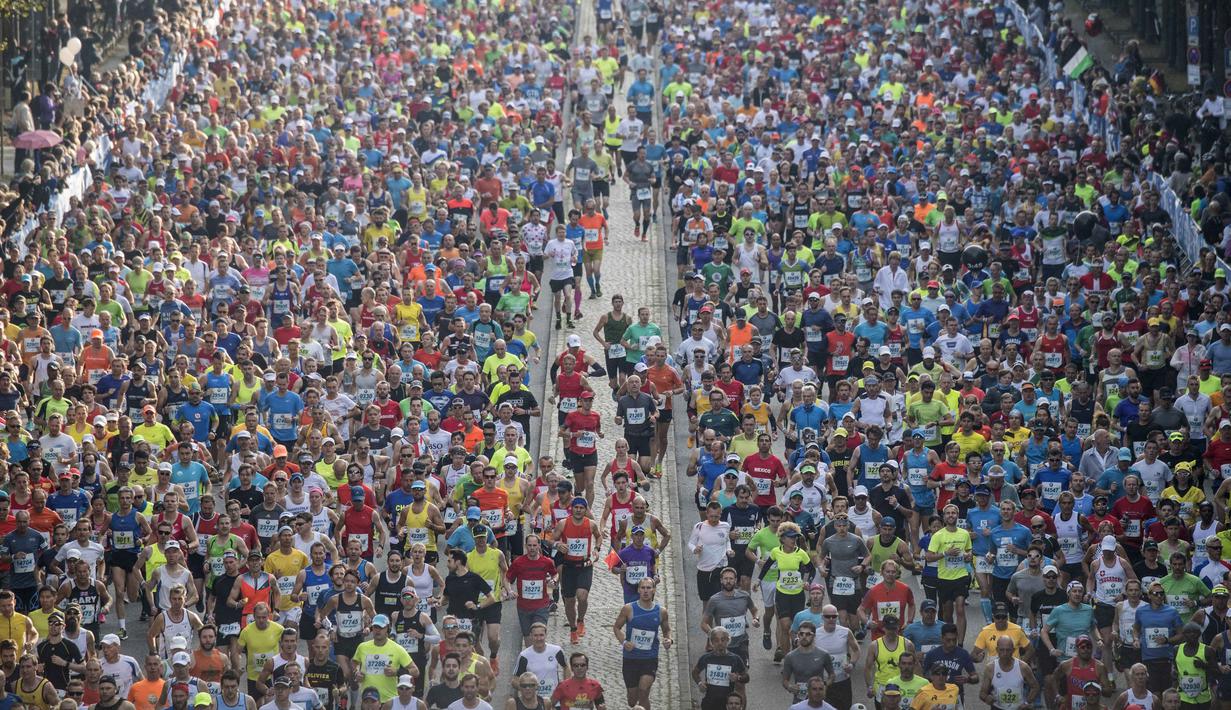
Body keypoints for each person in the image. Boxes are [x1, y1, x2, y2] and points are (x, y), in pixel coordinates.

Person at [611, 578, 672, 710]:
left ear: (654, 590)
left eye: (649, 588)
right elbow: (616, 628)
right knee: (632, 701)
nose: (645, 591)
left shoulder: (661, 611)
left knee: (643, 691)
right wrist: (624, 642)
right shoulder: (628, 609)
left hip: (649, 658)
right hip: (630, 658)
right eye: (643, 588)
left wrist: (669, 640)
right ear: (638, 590)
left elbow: (667, 630)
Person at [690, 628, 748, 710]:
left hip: (728, 704)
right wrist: (700, 683)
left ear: (728, 641)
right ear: (712, 642)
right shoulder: (706, 658)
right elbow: (695, 672)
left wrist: (738, 678)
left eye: (723, 640)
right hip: (710, 702)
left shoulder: (735, 659)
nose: (720, 643)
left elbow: (746, 677)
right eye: (716, 640)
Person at [979, 634, 1041, 709]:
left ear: (1013, 650)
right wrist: (987, 698)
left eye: (1008, 650)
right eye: (1002, 650)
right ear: (997, 650)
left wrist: (1027, 702)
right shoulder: (991, 668)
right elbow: (982, 693)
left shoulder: (1023, 667)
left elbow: (1035, 687)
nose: (1005, 653)